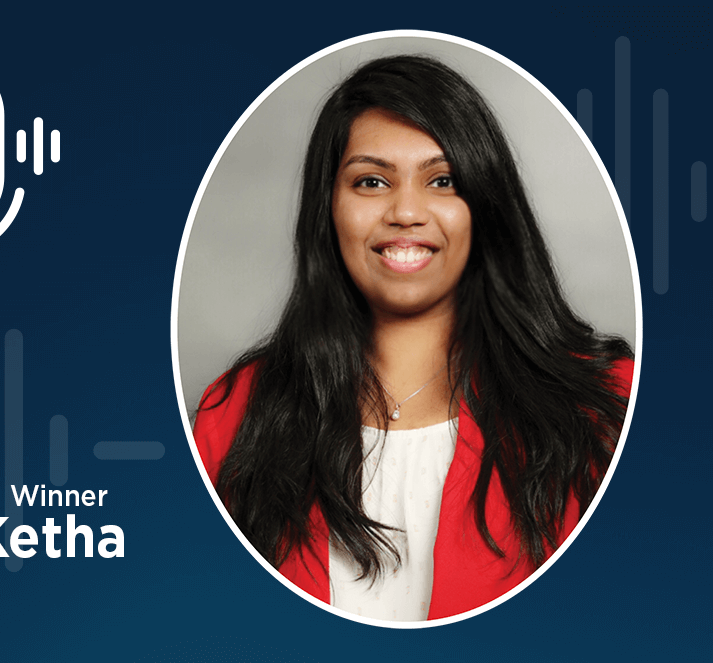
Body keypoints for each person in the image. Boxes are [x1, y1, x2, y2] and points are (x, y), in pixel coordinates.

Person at [192, 55, 633, 622]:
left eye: (443, 180)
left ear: (485, 208)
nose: (405, 211)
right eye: (371, 181)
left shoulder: (603, 409)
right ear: (328, 208)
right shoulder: (234, 414)